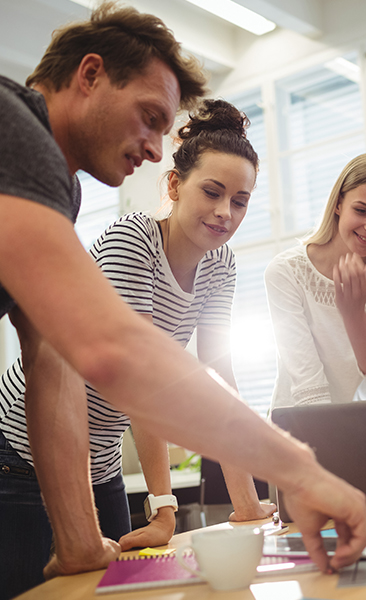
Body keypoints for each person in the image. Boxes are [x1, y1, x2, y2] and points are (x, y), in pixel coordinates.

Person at [0, 4, 366, 598]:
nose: (152, 148)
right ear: (89, 75)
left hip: (90, 473)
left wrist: (76, 538)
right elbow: (114, 353)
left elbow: (52, 356)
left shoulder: (59, 188)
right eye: (148, 118)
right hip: (12, 462)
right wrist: (299, 470)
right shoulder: (13, 128)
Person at [0, 98, 279, 595]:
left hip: (99, 462)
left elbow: (220, 375)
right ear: (173, 185)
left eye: (239, 201)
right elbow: (142, 378)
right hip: (20, 453)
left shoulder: (222, 266)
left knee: (116, 591)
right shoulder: (135, 240)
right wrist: (164, 504)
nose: (224, 212)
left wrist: (248, 503)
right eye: (212, 192)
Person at [265, 152, 366, 410]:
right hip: (299, 429)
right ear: (338, 204)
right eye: (361, 210)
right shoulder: (287, 271)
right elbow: (308, 388)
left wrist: (355, 316)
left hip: (360, 432)